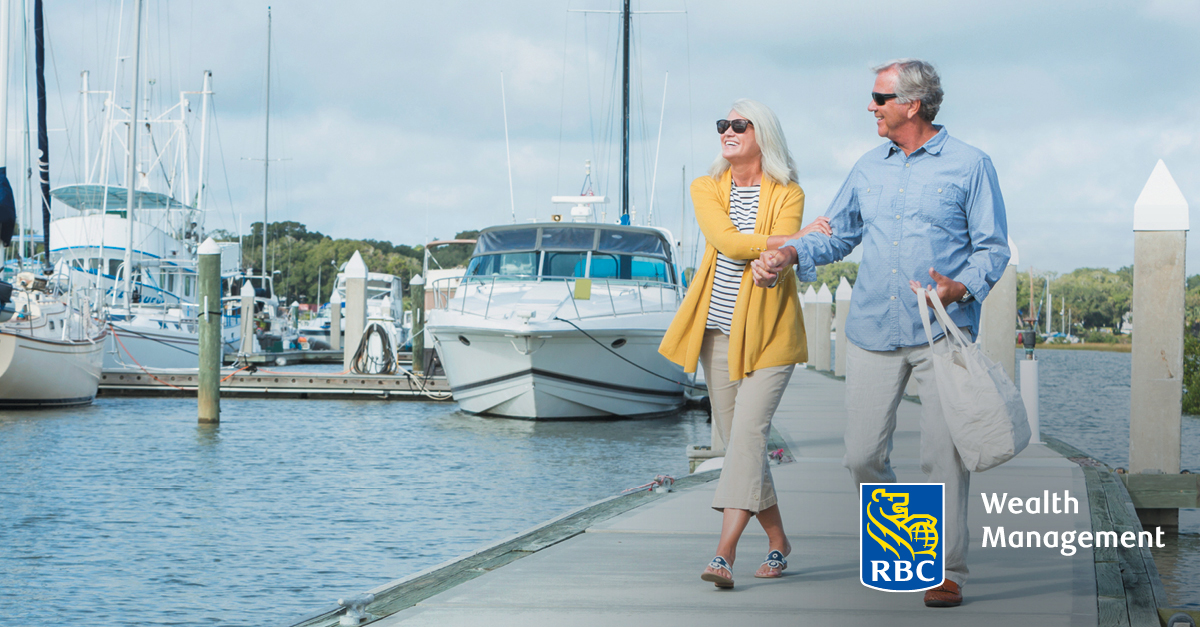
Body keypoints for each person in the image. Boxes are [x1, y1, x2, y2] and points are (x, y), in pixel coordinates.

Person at [752, 59, 1010, 607]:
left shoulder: (971, 165)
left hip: (941, 331)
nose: (870, 106)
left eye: (879, 97)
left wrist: (958, 288)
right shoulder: (868, 168)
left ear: (911, 105)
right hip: (871, 328)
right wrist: (789, 252)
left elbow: (993, 249)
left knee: (944, 456)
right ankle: (908, 543)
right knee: (861, 455)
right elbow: (836, 235)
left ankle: (944, 570)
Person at [659, 99, 830, 589]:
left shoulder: (787, 191)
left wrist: (780, 252)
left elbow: (777, 262)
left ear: (763, 134)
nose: (726, 132)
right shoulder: (706, 187)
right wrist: (792, 237)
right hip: (717, 334)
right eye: (722, 125)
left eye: (738, 124)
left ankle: (723, 554)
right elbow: (730, 243)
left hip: (772, 334)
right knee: (739, 446)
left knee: (749, 438)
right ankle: (779, 543)